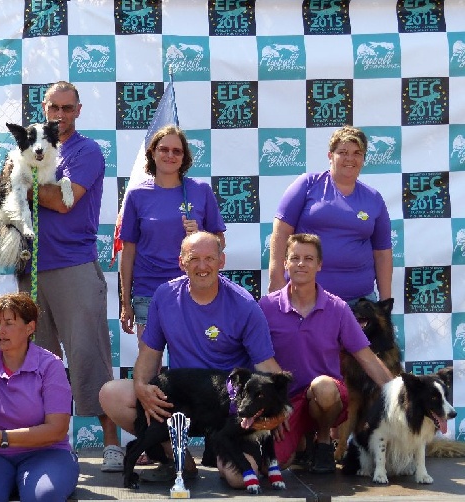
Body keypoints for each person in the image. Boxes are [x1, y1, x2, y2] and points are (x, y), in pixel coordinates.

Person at [100, 231, 282, 487]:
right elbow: (149, 355)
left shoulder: (244, 304)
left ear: (222, 261)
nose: (202, 266)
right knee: (111, 393)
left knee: (240, 479)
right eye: (194, 258)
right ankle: (177, 460)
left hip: (228, 413)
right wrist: (141, 387)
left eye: (209, 258)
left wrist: (281, 412)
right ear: (181, 262)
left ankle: (242, 455)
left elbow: (266, 367)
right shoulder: (164, 296)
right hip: (183, 403)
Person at [17, 81, 122, 472]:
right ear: (44, 109)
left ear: (78, 111)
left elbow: (64, 201)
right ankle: (46, 446)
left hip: (73, 265)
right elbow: (7, 193)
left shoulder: (86, 150)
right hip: (29, 267)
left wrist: (26, 183)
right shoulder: (28, 146)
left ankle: (112, 443)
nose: (59, 115)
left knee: (87, 356)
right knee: (35, 363)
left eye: (67, 108)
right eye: (53, 108)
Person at [258, 233, 394, 474]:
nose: (301, 264)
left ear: (319, 265)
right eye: (295, 258)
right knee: (275, 465)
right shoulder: (266, 307)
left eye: (309, 258)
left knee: (324, 387)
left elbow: (367, 357)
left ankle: (323, 442)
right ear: (285, 264)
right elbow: (257, 359)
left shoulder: (338, 308)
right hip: (284, 400)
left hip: (327, 398)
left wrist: (398, 393)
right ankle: (302, 443)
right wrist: (274, 404)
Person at [0, 292, 78, 502]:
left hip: (47, 453)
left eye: (9, 323)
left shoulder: (51, 365)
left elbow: (57, 429)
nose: (0, 330)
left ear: (30, 328)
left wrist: (3, 438)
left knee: (44, 496)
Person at [119, 125, 226, 344]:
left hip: (191, 287)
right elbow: (128, 252)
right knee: (149, 366)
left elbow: (220, 243)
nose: (170, 155)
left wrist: (201, 235)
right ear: (152, 153)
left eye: (177, 151)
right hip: (148, 290)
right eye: (164, 149)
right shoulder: (136, 195)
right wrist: (125, 302)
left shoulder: (200, 190)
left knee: (193, 361)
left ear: (184, 157)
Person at [267, 125, 393, 304]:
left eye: (357, 153)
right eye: (343, 152)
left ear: (364, 158)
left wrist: (385, 303)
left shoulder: (374, 199)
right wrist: (276, 279)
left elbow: (382, 253)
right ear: (330, 156)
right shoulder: (307, 184)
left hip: (360, 304)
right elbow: (280, 233)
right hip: (305, 300)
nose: (350, 158)